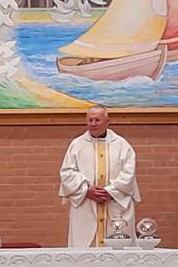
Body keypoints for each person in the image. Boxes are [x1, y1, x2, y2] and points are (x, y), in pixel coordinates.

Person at [59, 105, 140, 248]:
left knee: (119, 249)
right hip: (86, 204)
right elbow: (67, 172)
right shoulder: (77, 145)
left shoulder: (122, 145)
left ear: (107, 121)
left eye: (97, 120)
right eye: (90, 120)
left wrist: (110, 191)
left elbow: (128, 173)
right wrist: (86, 190)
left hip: (115, 204)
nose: (93, 124)